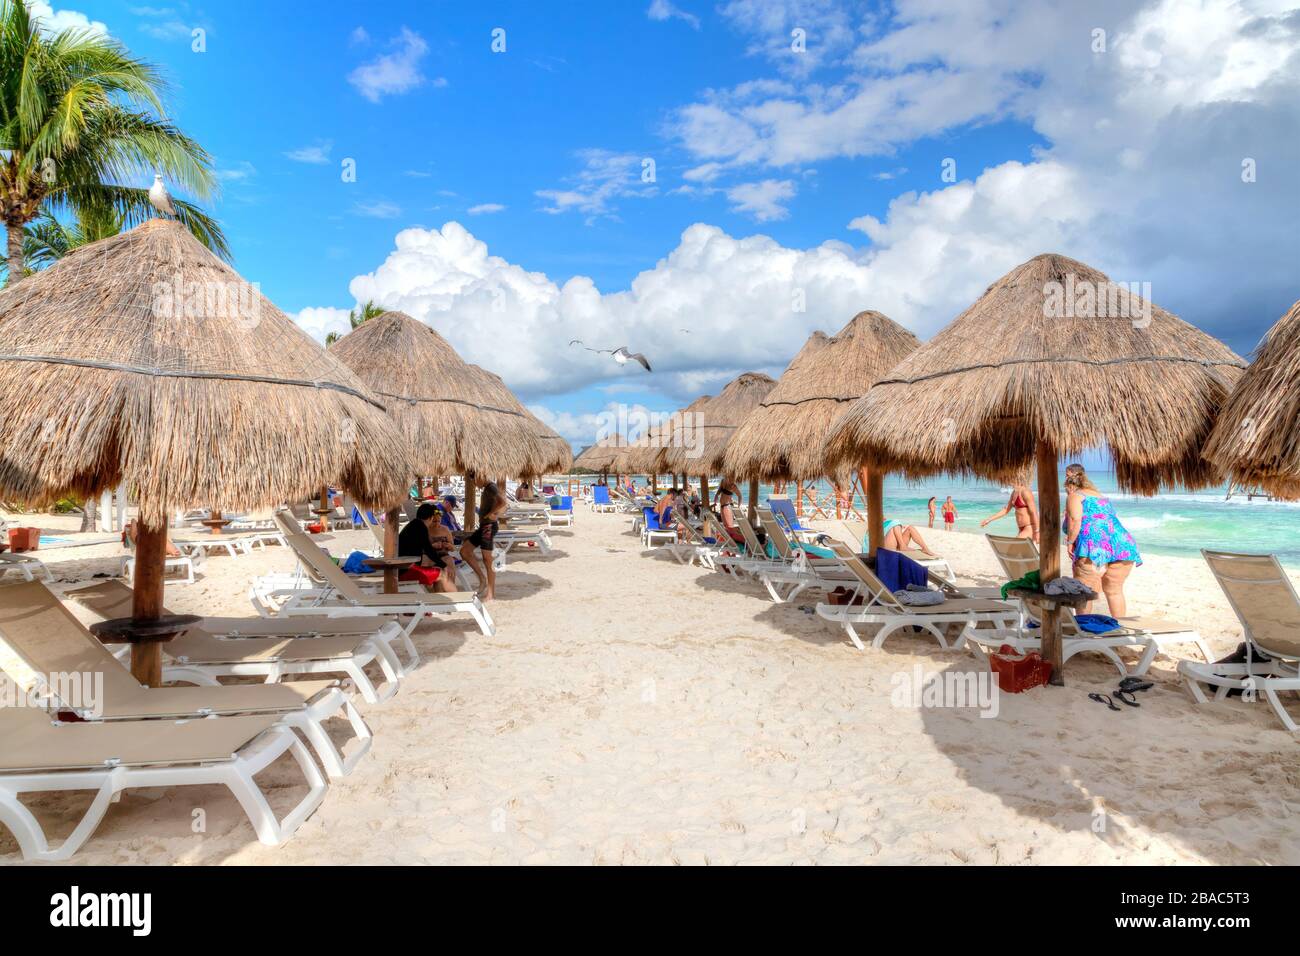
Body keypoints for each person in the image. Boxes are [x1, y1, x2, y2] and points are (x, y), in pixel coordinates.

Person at [1064, 463, 1141, 617]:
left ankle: (1084, 630)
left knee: (1084, 592)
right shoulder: (1099, 495)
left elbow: (1075, 520)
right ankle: (1119, 632)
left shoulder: (1075, 496)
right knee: (1114, 592)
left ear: (1069, 485)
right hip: (1122, 543)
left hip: (1093, 545)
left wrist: (1070, 542)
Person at [397, 502, 459, 593]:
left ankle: (440, 603)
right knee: (442, 575)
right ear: (430, 518)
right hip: (406, 571)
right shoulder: (421, 527)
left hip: (403, 568)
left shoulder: (414, 525)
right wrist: (444, 565)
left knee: (438, 573)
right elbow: (429, 551)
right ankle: (457, 600)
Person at [460, 482, 507, 601]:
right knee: (465, 551)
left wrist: (492, 514)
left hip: (489, 527)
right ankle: (482, 579)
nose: (475, 482)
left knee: (487, 559)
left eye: (475, 479)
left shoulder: (491, 487)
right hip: (484, 526)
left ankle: (490, 593)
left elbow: (502, 502)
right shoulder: (487, 488)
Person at [980, 476, 1039, 542]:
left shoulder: (1025, 492)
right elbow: (1006, 510)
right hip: (1021, 528)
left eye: (1009, 478)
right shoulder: (1014, 492)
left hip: (1029, 527)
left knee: (1014, 548)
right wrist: (988, 520)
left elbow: (1034, 512)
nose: (1007, 480)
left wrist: (1037, 531)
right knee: (1020, 551)